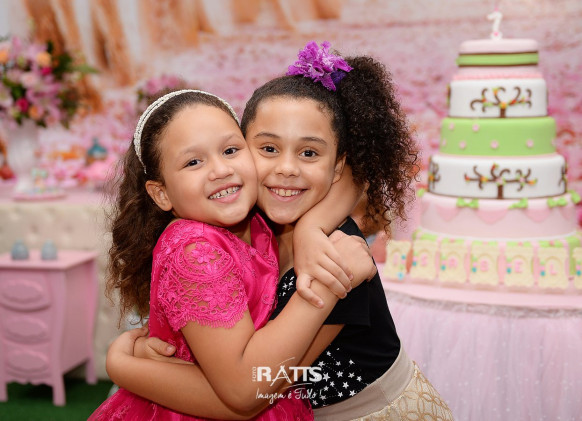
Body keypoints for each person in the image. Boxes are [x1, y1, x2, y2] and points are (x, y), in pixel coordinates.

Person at [105, 42, 455, 420]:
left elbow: (263, 385)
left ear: (337, 166)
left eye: (308, 153)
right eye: (268, 148)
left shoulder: (338, 256)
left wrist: (124, 367)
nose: (286, 168)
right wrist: (309, 227)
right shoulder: (250, 215)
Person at [89, 88, 376, 420]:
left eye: (230, 150)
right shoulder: (196, 250)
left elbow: (353, 173)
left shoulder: (260, 214)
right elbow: (245, 391)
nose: (220, 170)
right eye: (193, 162)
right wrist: (332, 280)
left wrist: (311, 227)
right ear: (161, 194)